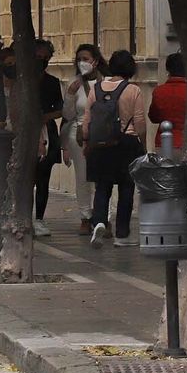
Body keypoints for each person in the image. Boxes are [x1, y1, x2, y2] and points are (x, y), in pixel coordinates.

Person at [82, 49, 146, 248]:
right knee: (126, 188)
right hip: (126, 143)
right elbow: (140, 123)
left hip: (100, 145)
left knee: (102, 186)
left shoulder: (96, 89)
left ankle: (99, 222)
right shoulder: (133, 90)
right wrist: (142, 144)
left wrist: (86, 142)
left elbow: (87, 121)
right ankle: (122, 234)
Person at [61, 44, 105, 235]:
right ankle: (85, 217)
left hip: (102, 134)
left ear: (96, 61)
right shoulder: (74, 83)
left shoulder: (106, 82)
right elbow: (67, 115)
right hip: (78, 134)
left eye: (86, 59)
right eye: (79, 59)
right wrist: (70, 95)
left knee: (103, 178)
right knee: (83, 177)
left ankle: (103, 217)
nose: (82, 63)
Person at [32, 38, 66, 238]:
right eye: (38, 57)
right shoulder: (21, 80)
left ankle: (39, 218)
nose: (42, 61)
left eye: (45, 57)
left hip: (47, 131)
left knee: (43, 178)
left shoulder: (52, 82)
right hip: (26, 132)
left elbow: (61, 109)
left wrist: (46, 117)